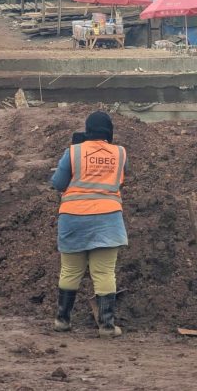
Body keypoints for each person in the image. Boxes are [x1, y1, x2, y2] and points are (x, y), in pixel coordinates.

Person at [50, 111, 129, 338]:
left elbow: (58, 183)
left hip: (73, 218)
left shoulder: (74, 151)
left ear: (87, 129)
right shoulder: (120, 153)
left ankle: (62, 321)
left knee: (70, 270)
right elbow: (120, 181)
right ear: (109, 131)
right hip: (108, 218)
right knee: (104, 272)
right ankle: (106, 326)